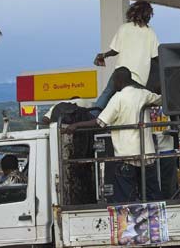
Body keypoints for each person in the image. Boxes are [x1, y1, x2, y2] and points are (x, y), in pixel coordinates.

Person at [64, 67, 163, 202]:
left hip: (126, 156)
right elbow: (161, 99)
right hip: (147, 155)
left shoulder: (118, 98)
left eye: (114, 82)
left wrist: (76, 125)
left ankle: (130, 223)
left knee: (126, 199)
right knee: (152, 197)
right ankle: (154, 221)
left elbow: (99, 122)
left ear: (119, 81)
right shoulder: (144, 94)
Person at [93, 1, 160, 109]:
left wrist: (104, 55)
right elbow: (156, 56)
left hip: (121, 73)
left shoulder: (124, 28)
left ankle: (93, 116)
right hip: (139, 78)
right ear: (148, 15)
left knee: (107, 94)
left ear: (132, 12)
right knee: (136, 104)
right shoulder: (150, 32)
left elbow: (115, 50)